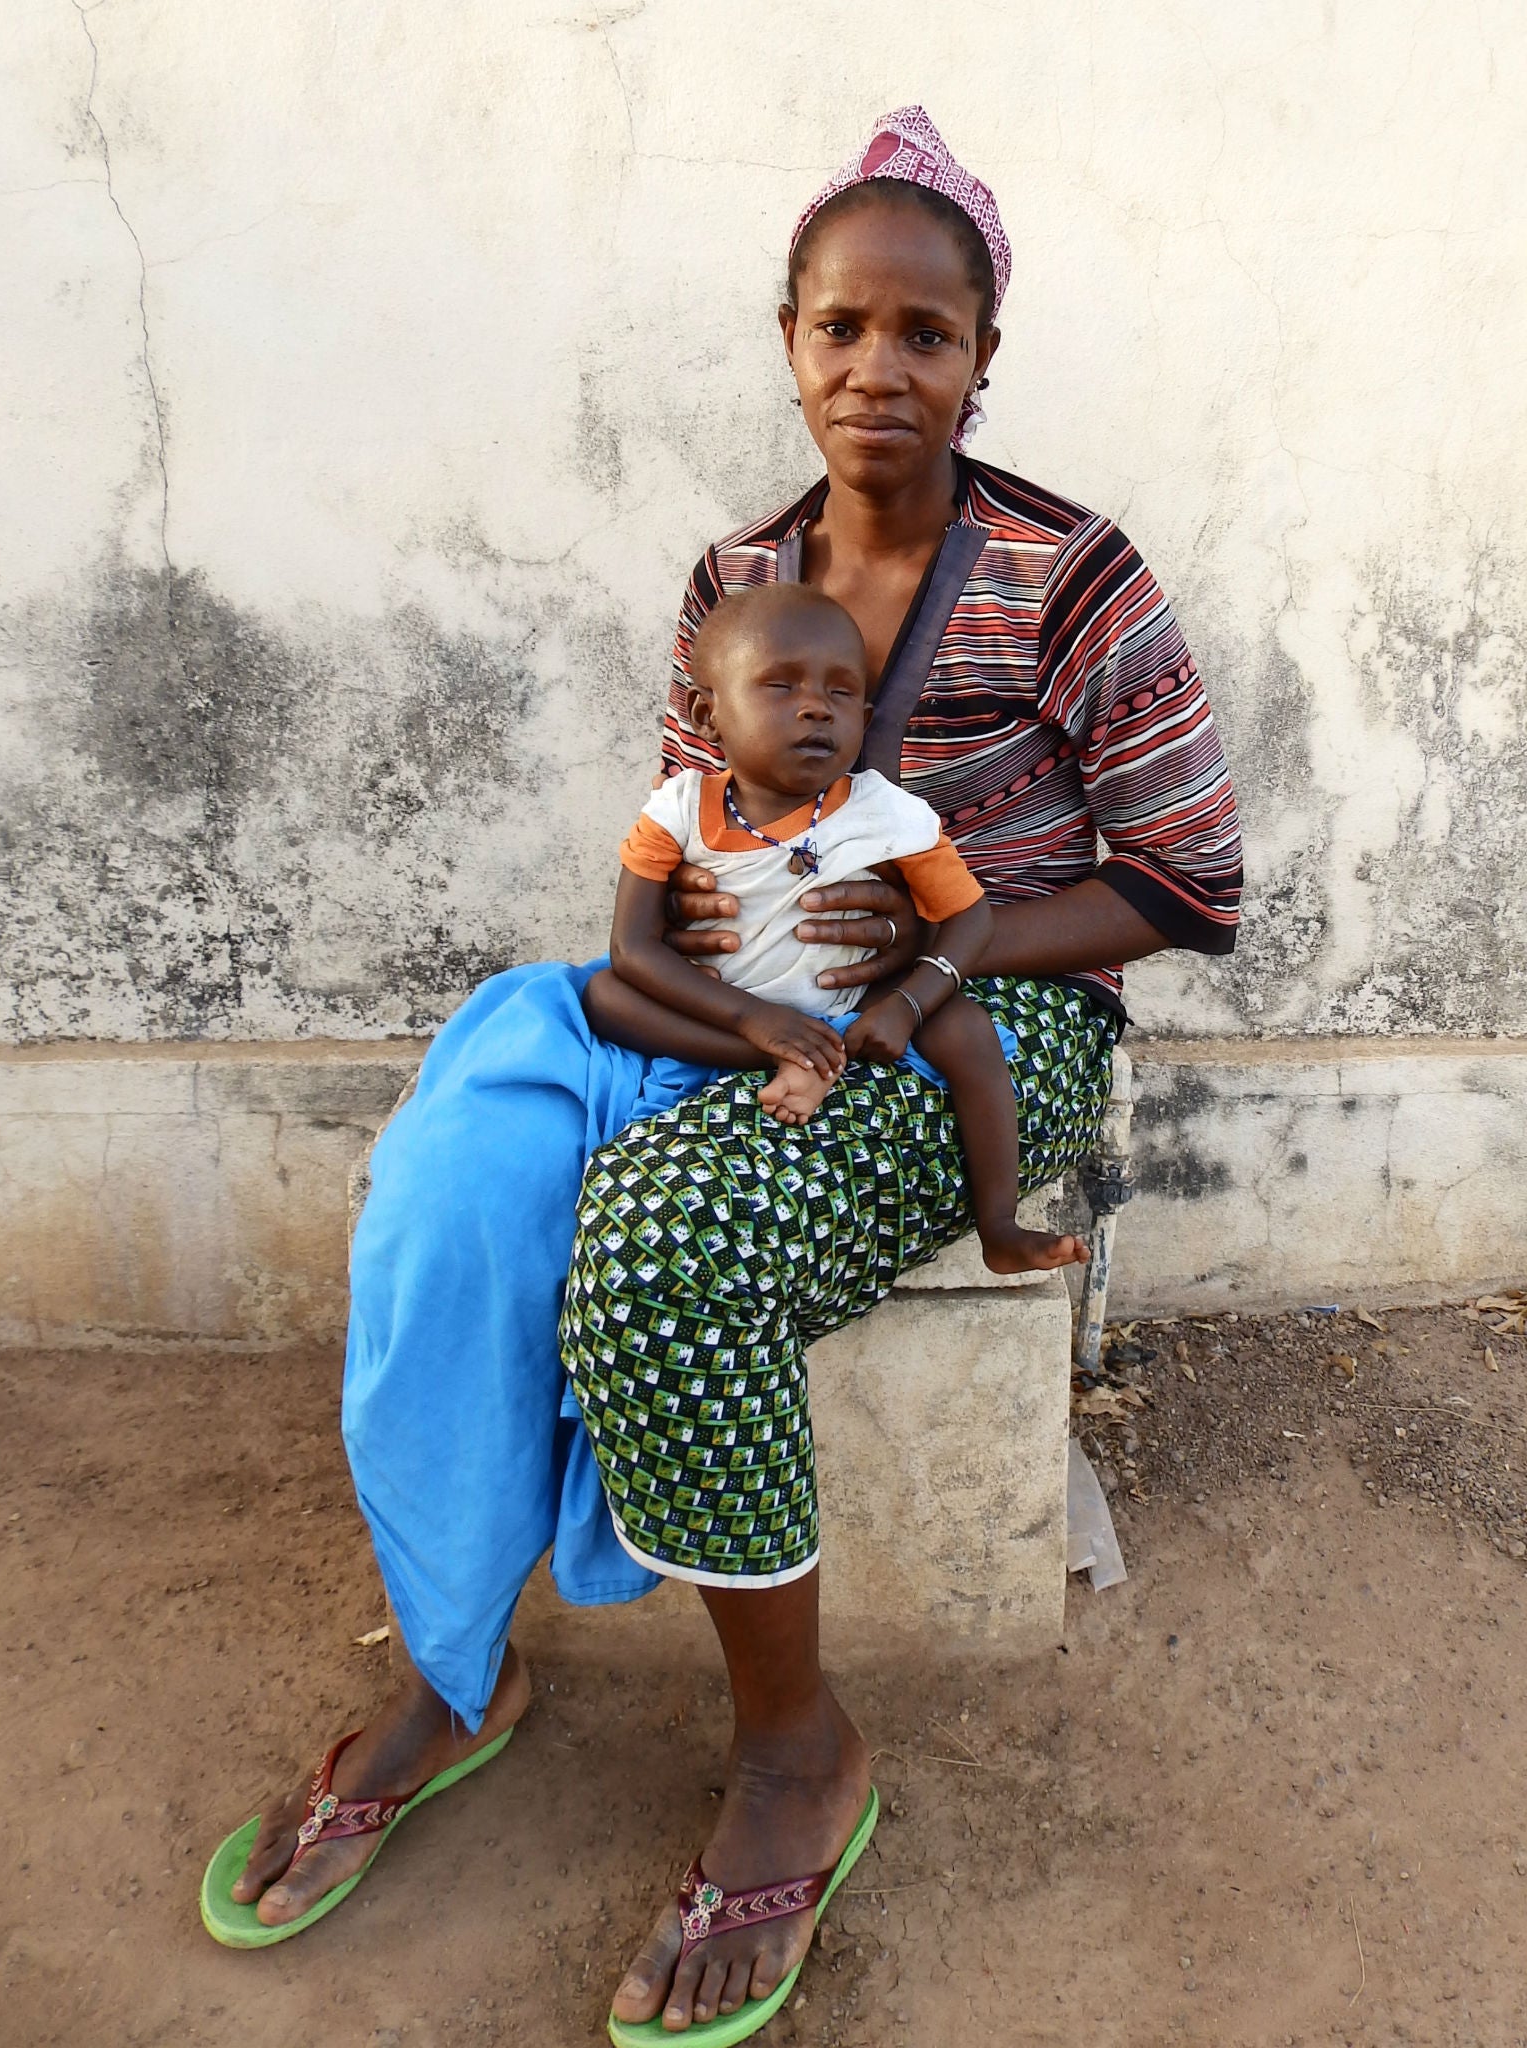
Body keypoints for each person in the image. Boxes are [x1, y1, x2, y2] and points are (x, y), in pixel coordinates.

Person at [204, 105, 1241, 2043]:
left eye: (926, 334)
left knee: (668, 1246)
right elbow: (687, 854)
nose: (881, 367)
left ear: (983, 358)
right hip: (748, 999)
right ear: (788, 339)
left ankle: (797, 1751)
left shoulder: (1071, 574)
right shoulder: (737, 577)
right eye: (844, 326)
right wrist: (706, 999)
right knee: (457, 1176)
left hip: (990, 1012)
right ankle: (455, 1665)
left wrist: (952, 944)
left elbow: (1189, 881)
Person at [586, 580, 1090, 1273]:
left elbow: (968, 916)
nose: (816, 707)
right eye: (779, 686)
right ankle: (791, 1056)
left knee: (965, 1029)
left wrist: (910, 1001)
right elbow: (633, 947)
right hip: (725, 1016)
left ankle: (1000, 1225)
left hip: (852, 1010)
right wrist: (756, 1023)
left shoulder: (887, 813)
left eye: (842, 692)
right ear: (708, 714)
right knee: (605, 996)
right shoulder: (677, 810)